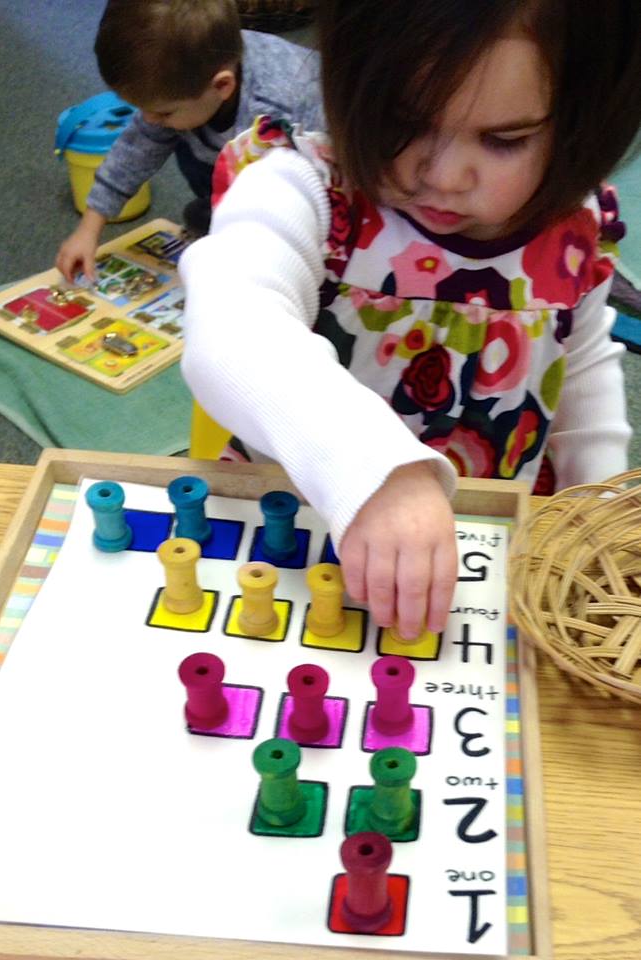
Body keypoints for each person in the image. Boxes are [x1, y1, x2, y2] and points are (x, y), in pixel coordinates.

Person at [179, 0, 641, 643]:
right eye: (404, 122)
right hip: (301, 540)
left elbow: (583, 365)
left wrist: (598, 517)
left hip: (484, 552)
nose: (444, 175)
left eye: (503, 139)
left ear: (580, 119)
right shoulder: (304, 190)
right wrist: (377, 471)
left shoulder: (576, 227)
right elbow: (230, 329)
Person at [55, 0, 324, 282]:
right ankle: (222, 211)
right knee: (175, 141)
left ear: (222, 85)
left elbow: (322, 192)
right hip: (236, 164)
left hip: (315, 182)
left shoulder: (278, 106)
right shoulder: (187, 81)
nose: (149, 119)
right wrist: (89, 228)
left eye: (162, 112)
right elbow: (135, 151)